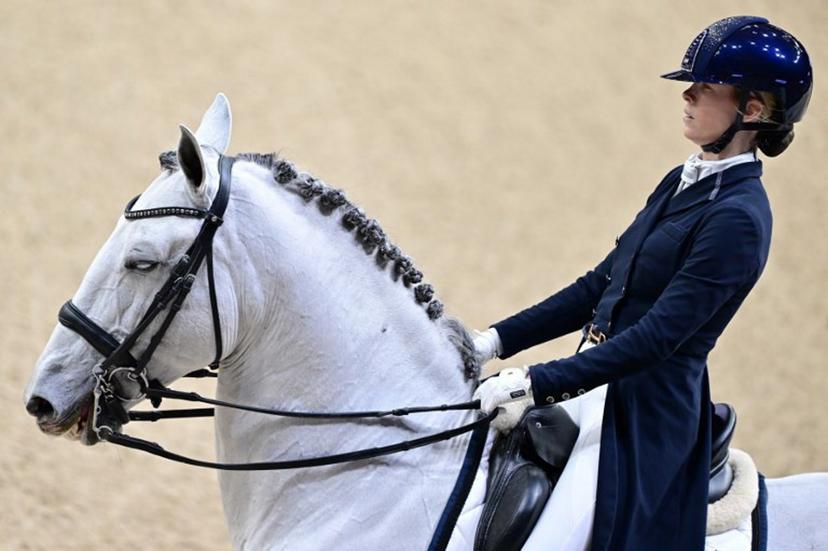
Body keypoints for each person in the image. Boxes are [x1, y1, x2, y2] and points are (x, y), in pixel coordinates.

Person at [472, 15, 812, 550]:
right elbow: (601, 285)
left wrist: (536, 381)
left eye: (706, 86)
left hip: (649, 414)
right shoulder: (683, 178)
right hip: (600, 383)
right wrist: (492, 340)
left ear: (752, 110)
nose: (690, 95)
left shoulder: (739, 219)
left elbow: (657, 338)